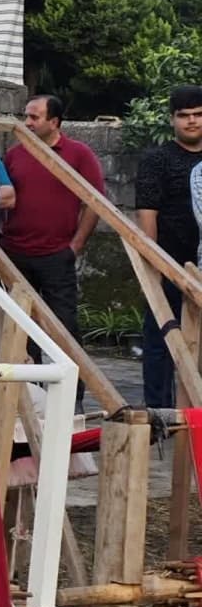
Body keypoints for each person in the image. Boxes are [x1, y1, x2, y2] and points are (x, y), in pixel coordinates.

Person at [1, 94, 104, 406]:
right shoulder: (14, 154)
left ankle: (71, 399)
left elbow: (95, 201)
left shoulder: (78, 154)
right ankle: (30, 397)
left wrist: (76, 245)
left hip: (56, 254)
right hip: (15, 253)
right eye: (26, 116)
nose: (27, 122)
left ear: (54, 122)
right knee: (21, 329)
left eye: (34, 117)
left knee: (64, 327)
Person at [141, 84, 202, 407]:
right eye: (184, 116)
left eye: (197, 115)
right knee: (160, 340)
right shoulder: (157, 159)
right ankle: (160, 414)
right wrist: (155, 266)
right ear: (172, 119)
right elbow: (147, 213)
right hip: (169, 264)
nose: (191, 121)